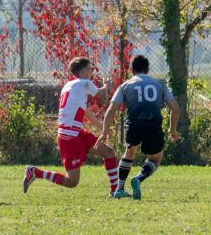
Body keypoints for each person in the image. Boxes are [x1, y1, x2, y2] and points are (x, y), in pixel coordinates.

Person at [22, 57, 119, 196]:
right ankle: (35, 172)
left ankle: (115, 191)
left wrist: (103, 128)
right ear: (83, 71)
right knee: (72, 181)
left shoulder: (70, 85)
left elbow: (85, 111)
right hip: (69, 138)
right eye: (90, 68)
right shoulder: (84, 83)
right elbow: (101, 93)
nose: (92, 71)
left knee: (108, 152)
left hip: (76, 133)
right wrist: (107, 85)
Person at [97, 54, 180, 200]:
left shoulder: (125, 85)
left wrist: (104, 132)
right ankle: (138, 178)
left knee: (129, 153)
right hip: (153, 124)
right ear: (148, 69)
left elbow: (111, 110)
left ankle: (119, 189)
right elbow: (175, 108)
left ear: (131, 69)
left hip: (133, 125)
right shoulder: (159, 84)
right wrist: (172, 129)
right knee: (156, 158)